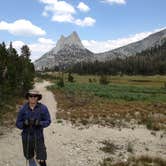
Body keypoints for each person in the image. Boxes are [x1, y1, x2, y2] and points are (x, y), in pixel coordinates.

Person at [16, 90, 51, 166]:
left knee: (41, 158)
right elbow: (18, 124)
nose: (33, 98)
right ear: (28, 97)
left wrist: (39, 123)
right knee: (29, 156)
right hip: (26, 137)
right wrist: (24, 124)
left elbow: (48, 121)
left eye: (35, 96)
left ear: (38, 98)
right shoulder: (23, 109)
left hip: (38, 136)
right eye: (31, 96)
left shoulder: (43, 108)